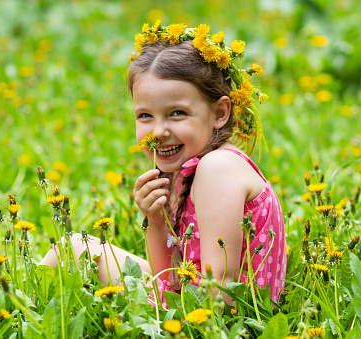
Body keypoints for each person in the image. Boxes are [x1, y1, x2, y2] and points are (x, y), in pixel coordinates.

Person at [40, 21, 286, 304]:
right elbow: (167, 276)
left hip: (219, 319)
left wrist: (157, 316)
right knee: (70, 248)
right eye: (145, 116)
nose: (158, 131)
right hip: (191, 302)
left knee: (72, 250)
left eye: (177, 113)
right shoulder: (185, 170)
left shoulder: (219, 168)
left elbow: (220, 290)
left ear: (219, 112)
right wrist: (154, 220)